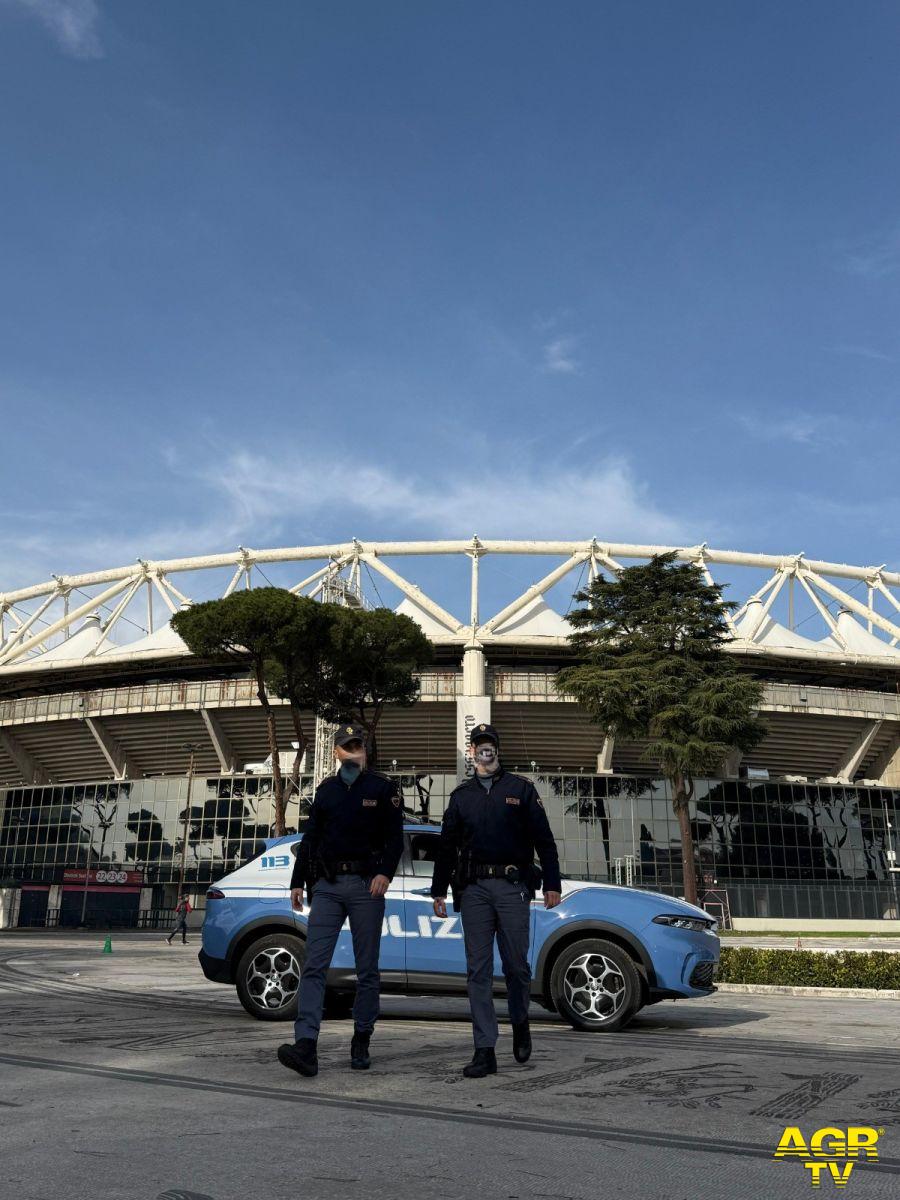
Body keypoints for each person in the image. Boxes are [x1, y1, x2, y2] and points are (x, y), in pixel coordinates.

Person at [431, 722, 562, 1078]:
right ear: (471, 751)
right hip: (473, 890)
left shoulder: (520, 790)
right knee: (478, 970)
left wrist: (552, 883)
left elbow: (545, 841)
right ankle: (484, 1049)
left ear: (497, 751)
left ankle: (520, 1023)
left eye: (489, 746)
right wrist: (438, 889)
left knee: (517, 965)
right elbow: (446, 847)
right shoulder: (461, 797)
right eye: (478, 746)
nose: (484, 752)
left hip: (512, 888)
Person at [277, 723, 403, 1079]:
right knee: (315, 965)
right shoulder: (326, 790)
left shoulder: (382, 788)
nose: (353, 751)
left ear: (365, 750)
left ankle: (361, 1037)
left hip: (367, 886)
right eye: (347, 746)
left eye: (358, 745)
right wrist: (298, 880)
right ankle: (306, 1045)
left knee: (367, 969)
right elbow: (311, 838)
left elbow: (395, 838)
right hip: (328, 886)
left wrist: (385, 874)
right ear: (336, 752)